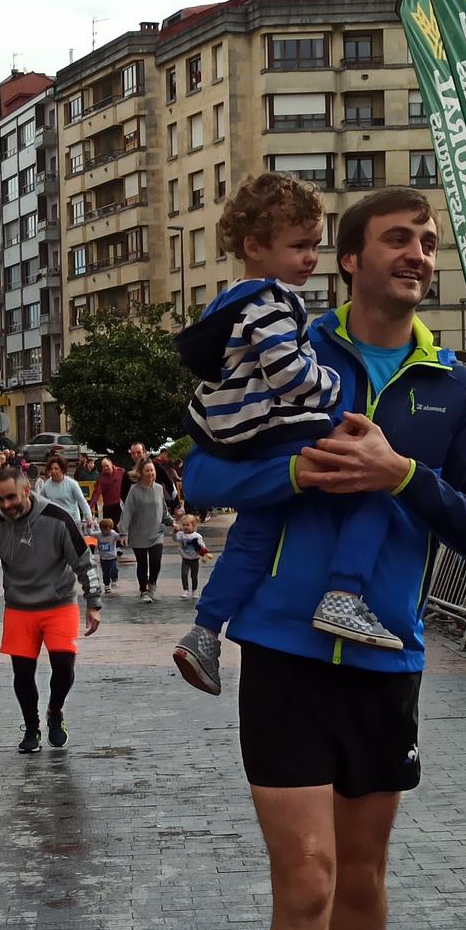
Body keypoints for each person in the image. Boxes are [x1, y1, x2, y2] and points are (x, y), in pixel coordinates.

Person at [180, 187, 466, 930]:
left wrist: (399, 471)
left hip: (385, 660)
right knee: (308, 877)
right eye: (398, 239)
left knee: (362, 875)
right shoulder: (281, 344)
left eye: (426, 241)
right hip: (279, 648)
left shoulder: (452, 389)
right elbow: (198, 472)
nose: (419, 253)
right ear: (350, 261)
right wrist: (295, 471)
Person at [172, 172, 403, 686]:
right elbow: (288, 374)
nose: (309, 258)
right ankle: (344, 595)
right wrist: (330, 384)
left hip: (236, 435)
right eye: (298, 246)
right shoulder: (272, 302)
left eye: (314, 246)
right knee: (374, 492)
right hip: (276, 431)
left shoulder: (228, 300)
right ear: (254, 246)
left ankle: (205, 631)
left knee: (255, 531)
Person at [0, 465, 101, 753]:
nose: (6, 505)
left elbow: (83, 561)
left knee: (64, 667)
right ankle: (32, 727)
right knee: (23, 673)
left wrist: (93, 602)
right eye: (0, 500)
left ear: (27, 490)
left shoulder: (57, 518)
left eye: (11, 497)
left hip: (59, 602)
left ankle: (55, 711)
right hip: (19, 607)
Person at [119, 459, 170, 602]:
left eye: (152, 470)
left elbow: (164, 511)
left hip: (156, 533)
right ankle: (144, 591)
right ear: (141, 472)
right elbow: (127, 512)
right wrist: (124, 532)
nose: (150, 473)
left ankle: (152, 585)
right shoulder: (134, 490)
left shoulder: (159, 488)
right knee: (142, 564)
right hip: (138, 533)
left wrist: (172, 522)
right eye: (147, 470)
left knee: (156, 561)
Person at [36, 454, 93, 533]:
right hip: (56, 522)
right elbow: (40, 503)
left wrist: (89, 518)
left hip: (72, 521)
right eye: (51, 469)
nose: (53, 471)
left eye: (56, 469)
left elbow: (82, 502)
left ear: (62, 470)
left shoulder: (72, 484)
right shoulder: (46, 486)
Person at [174, 513, 209, 600]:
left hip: (195, 559)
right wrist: (175, 531)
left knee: (194, 575)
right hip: (185, 558)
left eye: (188, 525)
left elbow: (202, 546)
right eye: (184, 525)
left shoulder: (197, 536)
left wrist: (204, 553)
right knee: (184, 574)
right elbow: (175, 538)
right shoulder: (181, 534)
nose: (185, 527)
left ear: (193, 525)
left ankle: (194, 590)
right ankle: (185, 590)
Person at [93, 457, 125, 529]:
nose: (105, 468)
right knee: (107, 528)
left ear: (111, 463)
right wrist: (91, 504)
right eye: (103, 467)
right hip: (107, 506)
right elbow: (97, 492)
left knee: (117, 527)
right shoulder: (101, 478)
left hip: (118, 505)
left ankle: (119, 540)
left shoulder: (121, 472)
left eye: (107, 465)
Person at [96, 517, 121, 594]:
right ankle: (107, 586)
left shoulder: (113, 534)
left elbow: (120, 536)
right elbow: (90, 533)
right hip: (103, 558)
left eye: (108, 529)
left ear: (111, 528)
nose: (106, 531)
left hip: (112, 557)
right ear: (101, 529)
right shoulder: (99, 534)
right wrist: (89, 527)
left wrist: (123, 532)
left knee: (114, 569)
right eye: (104, 530)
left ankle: (114, 579)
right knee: (105, 572)